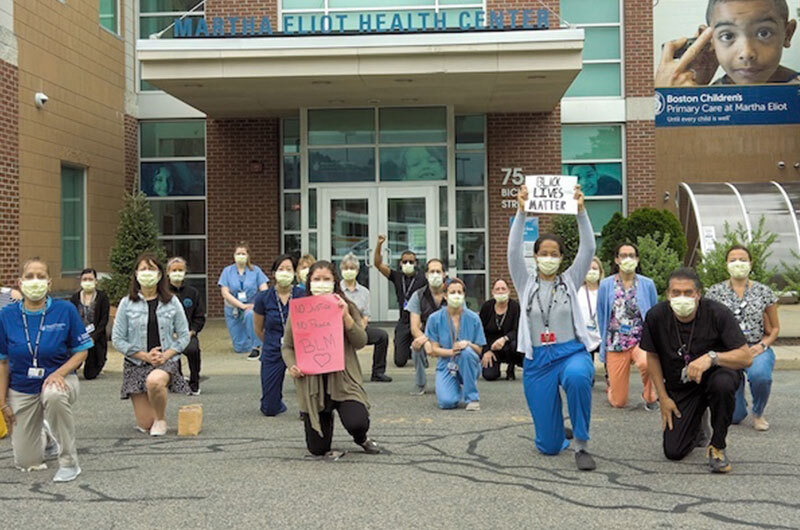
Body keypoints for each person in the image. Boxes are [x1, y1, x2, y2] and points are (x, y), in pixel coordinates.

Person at [508, 184, 598, 471]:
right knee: (547, 447)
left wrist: (581, 211)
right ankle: (557, 432)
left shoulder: (570, 280)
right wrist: (521, 211)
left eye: (554, 253)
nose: (548, 257)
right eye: (543, 253)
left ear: (561, 258)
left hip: (570, 352)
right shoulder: (525, 283)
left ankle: (581, 444)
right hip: (538, 359)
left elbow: (589, 248)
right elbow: (512, 249)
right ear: (535, 257)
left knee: (577, 378)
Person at [641, 267, 751, 473]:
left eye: (688, 293)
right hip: (682, 384)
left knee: (723, 384)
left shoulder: (717, 313)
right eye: (676, 293)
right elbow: (652, 356)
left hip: (716, 375)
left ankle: (718, 445)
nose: (682, 298)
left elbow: (746, 357)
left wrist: (712, 358)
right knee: (674, 452)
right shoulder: (656, 316)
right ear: (667, 294)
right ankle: (698, 426)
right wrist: (663, 398)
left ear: (698, 294)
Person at [0, 258, 92, 482]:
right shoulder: (6, 315)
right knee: (26, 462)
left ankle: (69, 462)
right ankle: (48, 438)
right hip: (22, 388)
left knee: (52, 394)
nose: (35, 281)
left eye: (41, 276)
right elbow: (2, 362)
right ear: (20, 282)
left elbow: (82, 351)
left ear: (49, 283)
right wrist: (2, 403)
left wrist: (59, 373)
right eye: (29, 276)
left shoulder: (65, 310)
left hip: (60, 382)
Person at [282, 261, 380, 457]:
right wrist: (292, 365)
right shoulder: (300, 311)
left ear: (335, 282)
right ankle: (325, 419)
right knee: (317, 449)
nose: (321, 283)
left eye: (326, 279)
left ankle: (361, 438)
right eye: (316, 279)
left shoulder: (347, 306)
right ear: (309, 282)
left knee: (357, 422)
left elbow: (361, 341)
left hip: (343, 380)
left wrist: (346, 317)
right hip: (313, 384)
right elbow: (288, 346)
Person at [112, 253, 191, 436]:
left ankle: (161, 419)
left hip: (165, 362)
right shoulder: (126, 303)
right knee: (145, 424)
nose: (147, 273)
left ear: (160, 274)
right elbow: (118, 339)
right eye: (143, 269)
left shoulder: (172, 302)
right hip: (136, 364)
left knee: (154, 381)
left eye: (152, 269)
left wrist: (167, 354)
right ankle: (152, 417)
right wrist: (144, 355)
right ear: (136, 274)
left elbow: (184, 336)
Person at [706, 245, 779, 431]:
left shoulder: (764, 292)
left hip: (756, 347)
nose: (738, 263)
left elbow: (775, 328)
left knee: (761, 376)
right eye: (733, 260)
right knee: (735, 417)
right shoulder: (714, 293)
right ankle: (740, 405)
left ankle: (758, 412)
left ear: (751, 263)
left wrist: (763, 345)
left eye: (743, 259)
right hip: (728, 351)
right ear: (726, 264)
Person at [656, 0, 798, 87]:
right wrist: (670, 102)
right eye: (727, 36)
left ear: (788, 33)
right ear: (709, 40)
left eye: (764, 33)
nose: (747, 53)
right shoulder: (708, 100)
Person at [597, 243, 659, 410]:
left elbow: (654, 311)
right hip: (616, 341)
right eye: (623, 255)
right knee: (619, 402)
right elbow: (602, 313)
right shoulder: (606, 284)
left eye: (631, 255)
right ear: (617, 259)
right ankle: (613, 387)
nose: (628, 259)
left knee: (647, 363)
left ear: (637, 259)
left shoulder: (647, 284)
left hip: (641, 339)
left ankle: (650, 394)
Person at [253, 254, 305, 416]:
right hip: (273, 348)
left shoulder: (302, 295)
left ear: (295, 273)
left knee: (308, 404)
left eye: (288, 269)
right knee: (269, 409)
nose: (284, 272)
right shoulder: (263, 297)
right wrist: (270, 342)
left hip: (299, 349)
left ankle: (308, 406)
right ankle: (276, 402)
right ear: (274, 273)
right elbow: (258, 329)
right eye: (281, 269)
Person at [424, 278, 486, 410]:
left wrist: (468, 344)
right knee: (447, 403)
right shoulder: (435, 318)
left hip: (469, 363)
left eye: (459, 292)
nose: (456, 295)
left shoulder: (474, 318)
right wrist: (451, 352)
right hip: (447, 364)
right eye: (452, 292)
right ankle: (457, 389)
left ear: (464, 295)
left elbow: (480, 350)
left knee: (466, 353)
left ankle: (472, 398)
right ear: (445, 296)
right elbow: (434, 349)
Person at [374, 236, 427, 367]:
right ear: (400, 263)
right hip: (403, 321)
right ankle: (405, 347)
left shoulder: (422, 278)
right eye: (405, 262)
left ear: (415, 263)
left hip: (419, 321)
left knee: (422, 364)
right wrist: (379, 245)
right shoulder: (397, 276)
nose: (408, 264)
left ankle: (417, 349)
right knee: (399, 362)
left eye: (411, 262)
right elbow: (378, 264)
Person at [339, 253, 392, 383]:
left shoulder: (364, 292)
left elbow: (366, 315)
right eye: (346, 268)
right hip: (339, 329)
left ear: (357, 271)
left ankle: (378, 373)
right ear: (341, 270)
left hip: (358, 328)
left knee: (382, 336)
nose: (349, 271)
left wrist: (360, 329)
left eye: (352, 268)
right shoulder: (337, 290)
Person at [218, 242, 269, 359]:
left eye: (243, 253)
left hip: (252, 306)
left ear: (248, 256)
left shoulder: (256, 271)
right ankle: (251, 341)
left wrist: (256, 305)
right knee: (240, 348)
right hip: (234, 308)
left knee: (250, 314)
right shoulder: (227, 271)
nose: (241, 256)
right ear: (234, 255)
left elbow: (264, 290)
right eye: (238, 253)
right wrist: (242, 305)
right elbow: (225, 292)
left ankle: (256, 346)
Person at [406, 259, 448, 395]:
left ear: (444, 274)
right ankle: (420, 384)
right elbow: (414, 327)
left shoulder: (453, 294)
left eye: (438, 271)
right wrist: (426, 341)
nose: (435, 275)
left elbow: (460, 322)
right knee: (416, 345)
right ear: (426, 275)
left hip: (449, 336)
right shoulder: (418, 296)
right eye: (432, 272)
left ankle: (457, 380)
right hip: (427, 336)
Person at [166, 257, 205, 396]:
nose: (177, 273)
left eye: (180, 270)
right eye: (174, 270)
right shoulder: (162, 293)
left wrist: (191, 332)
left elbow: (199, 317)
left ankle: (194, 382)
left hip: (188, 335)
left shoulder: (192, 293)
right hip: (167, 336)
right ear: (168, 272)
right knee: (169, 353)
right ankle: (177, 380)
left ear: (185, 272)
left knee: (193, 350)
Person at [69, 268, 110, 380]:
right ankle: (76, 363)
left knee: (90, 375)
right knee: (72, 365)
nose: (87, 281)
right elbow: (71, 318)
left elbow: (103, 320)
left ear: (96, 281)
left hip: (95, 338)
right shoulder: (75, 298)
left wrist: (93, 337)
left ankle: (97, 362)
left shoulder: (102, 297)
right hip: (79, 336)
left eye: (90, 279)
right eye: (85, 279)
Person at [479, 279, 521, 381]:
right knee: (489, 376)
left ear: (509, 291)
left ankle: (510, 368)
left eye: (503, 289)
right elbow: (480, 332)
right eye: (497, 289)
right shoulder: (487, 307)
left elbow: (518, 330)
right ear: (492, 292)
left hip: (509, 346)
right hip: (492, 348)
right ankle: (495, 368)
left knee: (514, 344)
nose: (500, 291)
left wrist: (504, 339)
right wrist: (486, 351)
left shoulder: (515, 307)